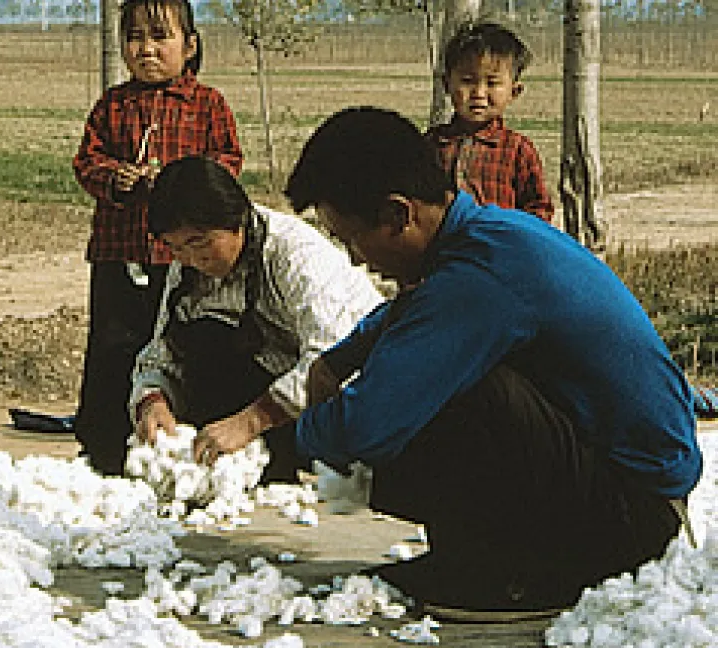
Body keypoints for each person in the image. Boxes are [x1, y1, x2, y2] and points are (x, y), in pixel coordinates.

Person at [283, 107, 701, 620]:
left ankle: (523, 577)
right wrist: (339, 359)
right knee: (421, 367)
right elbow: (410, 310)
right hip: (621, 489)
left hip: (629, 520)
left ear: (398, 214)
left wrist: (289, 441)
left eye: (350, 239)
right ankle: (482, 555)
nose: (353, 259)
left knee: (443, 388)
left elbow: (366, 426)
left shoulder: (480, 277)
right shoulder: (485, 237)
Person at [131, 156, 382, 483]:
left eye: (200, 243)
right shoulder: (189, 271)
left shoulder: (295, 255)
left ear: (236, 221)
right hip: (274, 378)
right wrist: (153, 400)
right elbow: (162, 349)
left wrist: (251, 421)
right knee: (203, 338)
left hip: (356, 392)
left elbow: (332, 359)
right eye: (176, 248)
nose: (192, 259)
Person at [72, 0, 242, 475]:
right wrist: (115, 179)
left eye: (159, 37)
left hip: (183, 261)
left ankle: (184, 445)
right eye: (134, 38)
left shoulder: (208, 105)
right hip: (120, 254)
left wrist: (180, 181)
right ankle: (104, 449)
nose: (146, 49)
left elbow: (228, 163)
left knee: (183, 343)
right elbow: (87, 163)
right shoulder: (113, 106)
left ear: (190, 46)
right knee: (113, 347)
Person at [426, 21, 554, 222]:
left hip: (498, 248)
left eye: (492, 83)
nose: (479, 93)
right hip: (444, 249)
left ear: (514, 92)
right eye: (468, 81)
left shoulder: (518, 150)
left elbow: (538, 210)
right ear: (446, 85)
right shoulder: (432, 143)